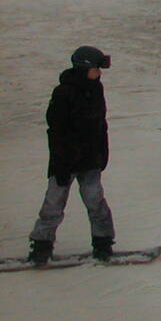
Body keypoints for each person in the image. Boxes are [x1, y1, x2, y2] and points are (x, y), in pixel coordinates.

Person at [27, 46, 116, 265]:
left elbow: (100, 125)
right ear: (84, 68)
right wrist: (61, 163)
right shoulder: (63, 93)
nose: (99, 73)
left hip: (90, 160)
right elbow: (56, 131)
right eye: (96, 68)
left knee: (96, 202)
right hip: (65, 163)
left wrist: (102, 153)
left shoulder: (96, 89)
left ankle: (103, 244)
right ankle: (41, 247)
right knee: (53, 205)